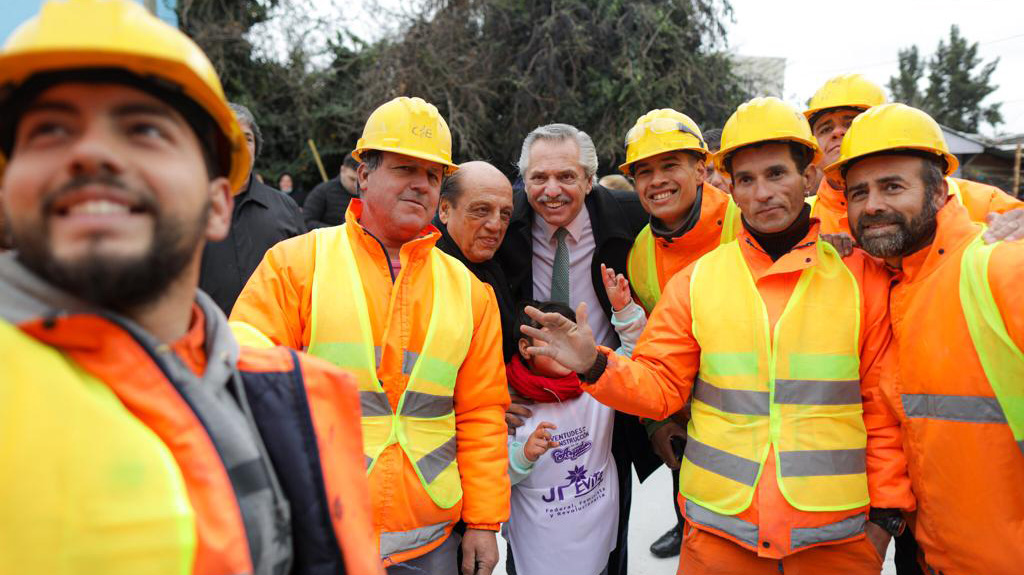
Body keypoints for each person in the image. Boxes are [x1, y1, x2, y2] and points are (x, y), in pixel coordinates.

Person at [0, 1, 379, 574]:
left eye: (143, 130)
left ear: (217, 206)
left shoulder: (288, 400)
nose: (91, 153)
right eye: (50, 129)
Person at [521, 97, 915, 575]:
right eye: (746, 179)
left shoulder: (858, 276)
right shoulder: (695, 280)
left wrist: (886, 518)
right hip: (719, 533)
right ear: (729, 182)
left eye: (776, 174)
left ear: (809, 179)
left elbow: (882, 404)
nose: (761, 192)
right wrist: (595, 363)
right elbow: (661, 383)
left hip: (834, 541)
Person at [230, 96, 511, 574]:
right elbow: (244, 386)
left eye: (432, 175)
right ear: (365, 174)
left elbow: (482, 414)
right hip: (324, 538)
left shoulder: (469, 291)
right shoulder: (296, 264)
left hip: (430, 545)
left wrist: (485, 522)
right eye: (405, 169)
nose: (421, 185)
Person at [828, 102, 1024, 575]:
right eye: (859, 192)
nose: (872, 204)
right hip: (929, 555)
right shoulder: (887, 281)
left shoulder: (998, 266)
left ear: (940, 194)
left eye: (892, 186)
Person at [495, 122, 660, 575]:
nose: (552, 191)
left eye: (567, 177)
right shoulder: (504, 220)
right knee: (533, 524)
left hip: (606, 397)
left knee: (607, 522)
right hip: (530, 399)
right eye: (538, 179)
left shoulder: (628, 213)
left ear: (590, 179)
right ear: (522, 180)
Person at [617, 108, 741, 558]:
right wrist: (658, 421)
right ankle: (682, 524)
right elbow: (646, 349)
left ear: (701, 168)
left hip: (756, 418)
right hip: (688, 413)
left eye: (670, 165)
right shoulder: (640, 254)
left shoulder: (743, 222)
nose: (657, 181)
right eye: (644, 171)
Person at [503, 267, 646, 575]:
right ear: (525, 348)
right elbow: (494, 471)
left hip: (595, 530)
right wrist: (523, 455)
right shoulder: (508, 401)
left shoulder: (597, 382)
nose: (561, 349)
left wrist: (623, 309)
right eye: (548, 340)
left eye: (568, 337)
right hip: (540, 544)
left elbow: (636, 358)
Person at [805, 74, 1023, 235]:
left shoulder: (972, 199)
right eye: (825, 129)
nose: (837, 133)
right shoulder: (804, 216)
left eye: (850, 122)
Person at [198, 103, 305, 314]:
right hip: (208, 339)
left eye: (247, 138)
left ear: (256, 147)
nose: (240, 145)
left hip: (272, 340)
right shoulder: (190, 208)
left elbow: (306, 276)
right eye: (230, 137)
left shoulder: (285, 209)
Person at [435, 160, 517, 360]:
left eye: (505, 214)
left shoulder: (495, 265)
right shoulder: (426, 273)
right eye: (481, 210)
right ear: (445, 210)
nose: (496, 225)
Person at [303, 152, 359, 229]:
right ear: (342, 170)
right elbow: (306, 221)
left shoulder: (366, 194)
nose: (355, 185)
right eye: (352, 179)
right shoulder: (322, 191)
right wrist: (335, 232)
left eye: (359, 181)